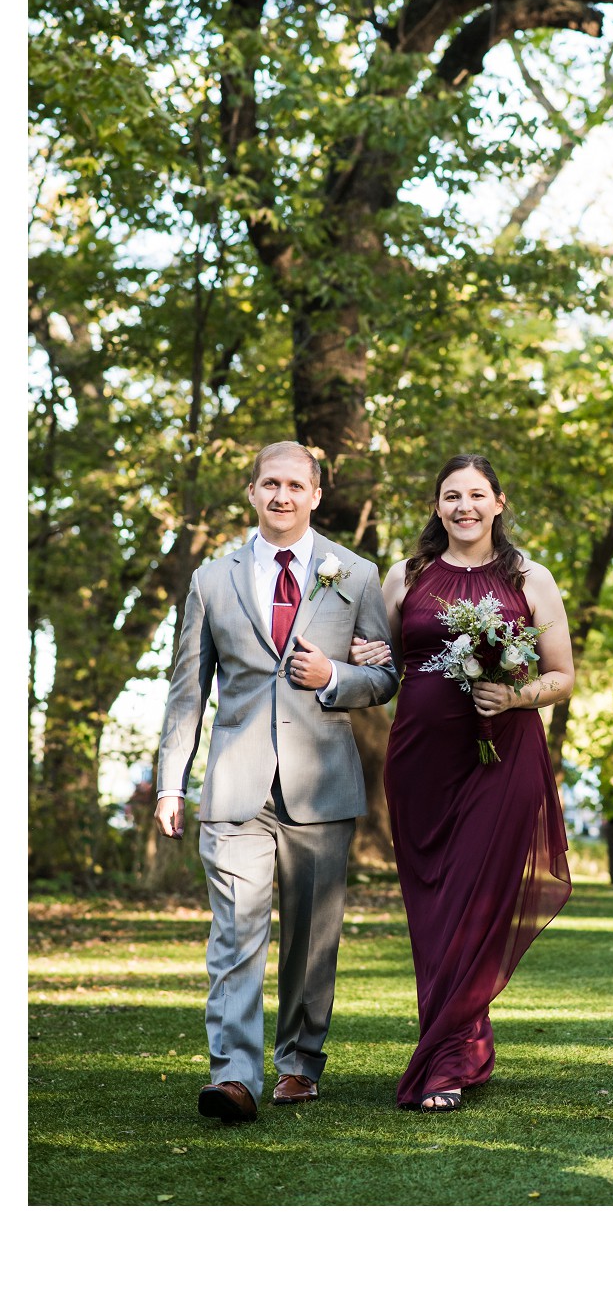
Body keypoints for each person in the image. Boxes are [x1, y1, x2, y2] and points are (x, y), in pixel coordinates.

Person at [153, 441, 399, 1122]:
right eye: (270, 483)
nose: (282, 495)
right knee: (234, 933)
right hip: (234, 787)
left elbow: (384, 677)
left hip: (321, 785)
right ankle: (233, 1074)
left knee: (312, 938)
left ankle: (299, 1062)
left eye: (295, 484)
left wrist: (337, 678)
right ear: (253, 493)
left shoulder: (355, 574)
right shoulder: (211, 580)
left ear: (316, 494)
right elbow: (186, 692)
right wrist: (170, 782)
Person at [347, 455, 573, 1111]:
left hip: (501, 761)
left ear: (499, 503)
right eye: (452, 496)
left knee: (479, 901)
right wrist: (369, 654)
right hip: (420, 761)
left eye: (477, 495)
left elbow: (562, 674)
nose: (464, 507)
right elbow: (381, 658)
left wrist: (516, 696)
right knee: (436, 913)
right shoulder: (407, 575)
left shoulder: (530, 577)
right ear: (437, 505)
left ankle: (440, 1065)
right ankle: (467, 1045)